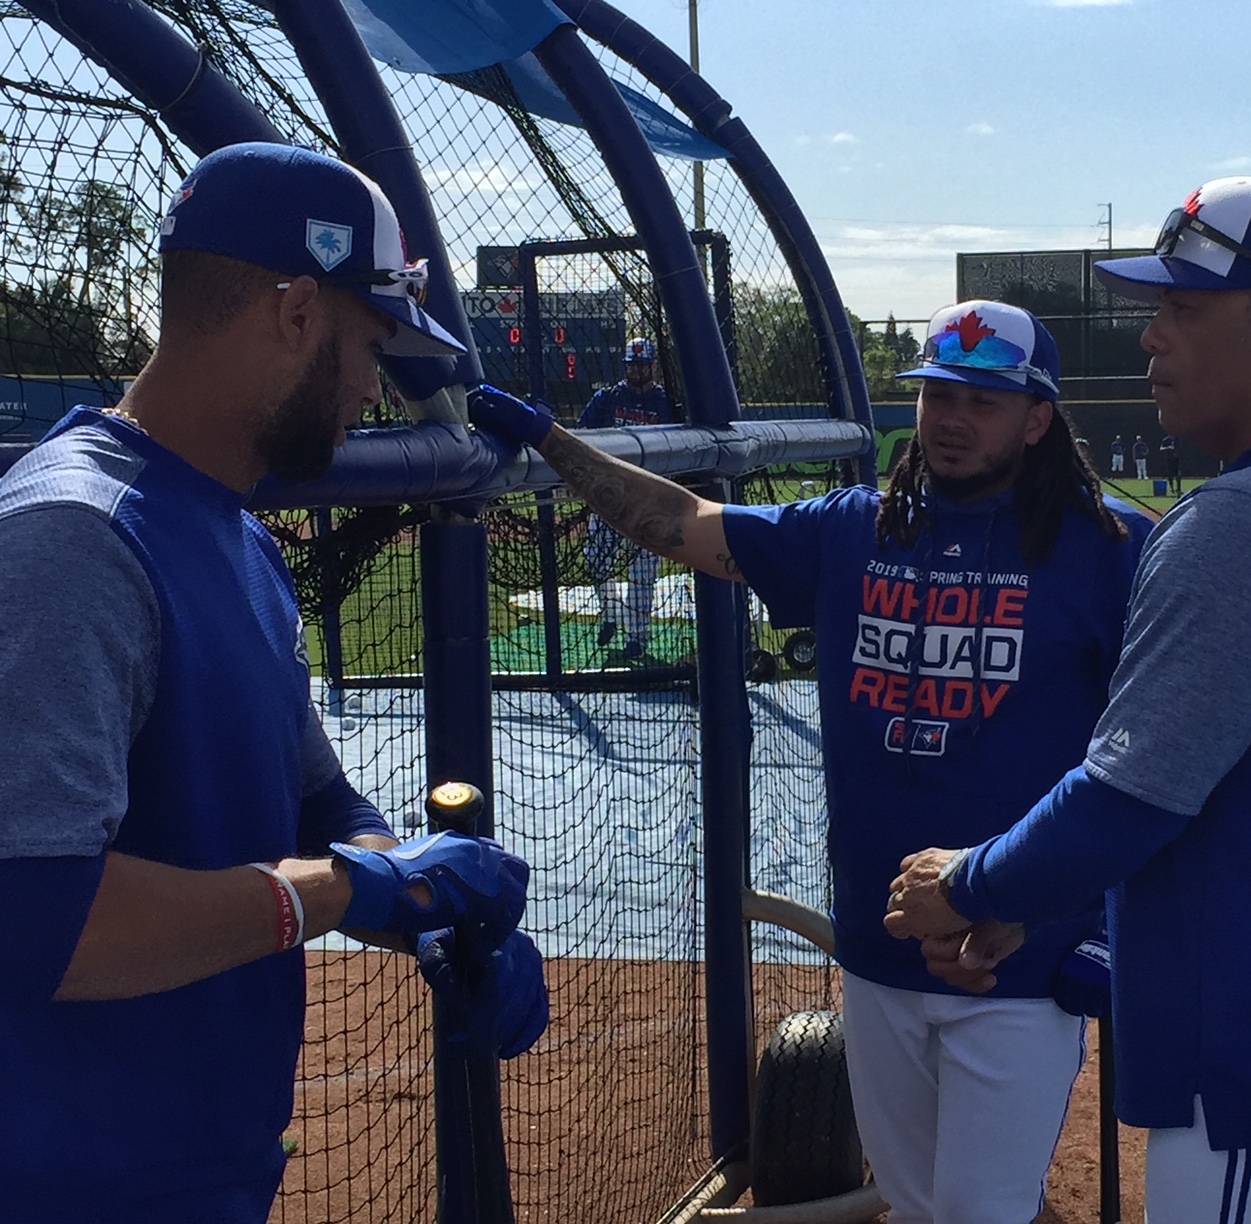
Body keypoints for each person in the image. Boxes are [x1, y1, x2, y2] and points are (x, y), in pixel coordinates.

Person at [464, 299, 1152, 1224]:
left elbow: (1153, 759)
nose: (950, 418)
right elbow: (682, 523)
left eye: (983, 401)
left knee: (983, 1212)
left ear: (1037, 420)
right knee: (914, 1205)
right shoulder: (855, 528)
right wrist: (553, 441)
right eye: (938, 392)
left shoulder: (1110, 549)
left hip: (1012, 957)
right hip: (878, 944)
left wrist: (1086, 920)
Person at [885, 178, 1251, 1224]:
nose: (1152, 337)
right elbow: (1226, 797)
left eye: (1184, 310)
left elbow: (1130, 798)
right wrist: (1036, 907)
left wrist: (971, 883)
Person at [0, 142, 547, 1223]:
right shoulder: (75, 535)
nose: (367, 388)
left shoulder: (238, 538)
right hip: (61, 1179)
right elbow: (35, 919)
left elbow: (314, 802)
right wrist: (345, 892)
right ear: (296, 312)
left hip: (201, 1165)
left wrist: (425, 904)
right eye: (365, 346)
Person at [578, 336, 681, 658]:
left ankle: (636, 638)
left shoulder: (665, 403)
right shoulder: (607, 399)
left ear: (653, 366)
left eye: (642, 365)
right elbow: (581, 435)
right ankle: (612, 615)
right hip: (608, 497)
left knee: (642, 574)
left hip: (649, 500)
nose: (637, 370)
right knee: (597, 561)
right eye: (632, 365)